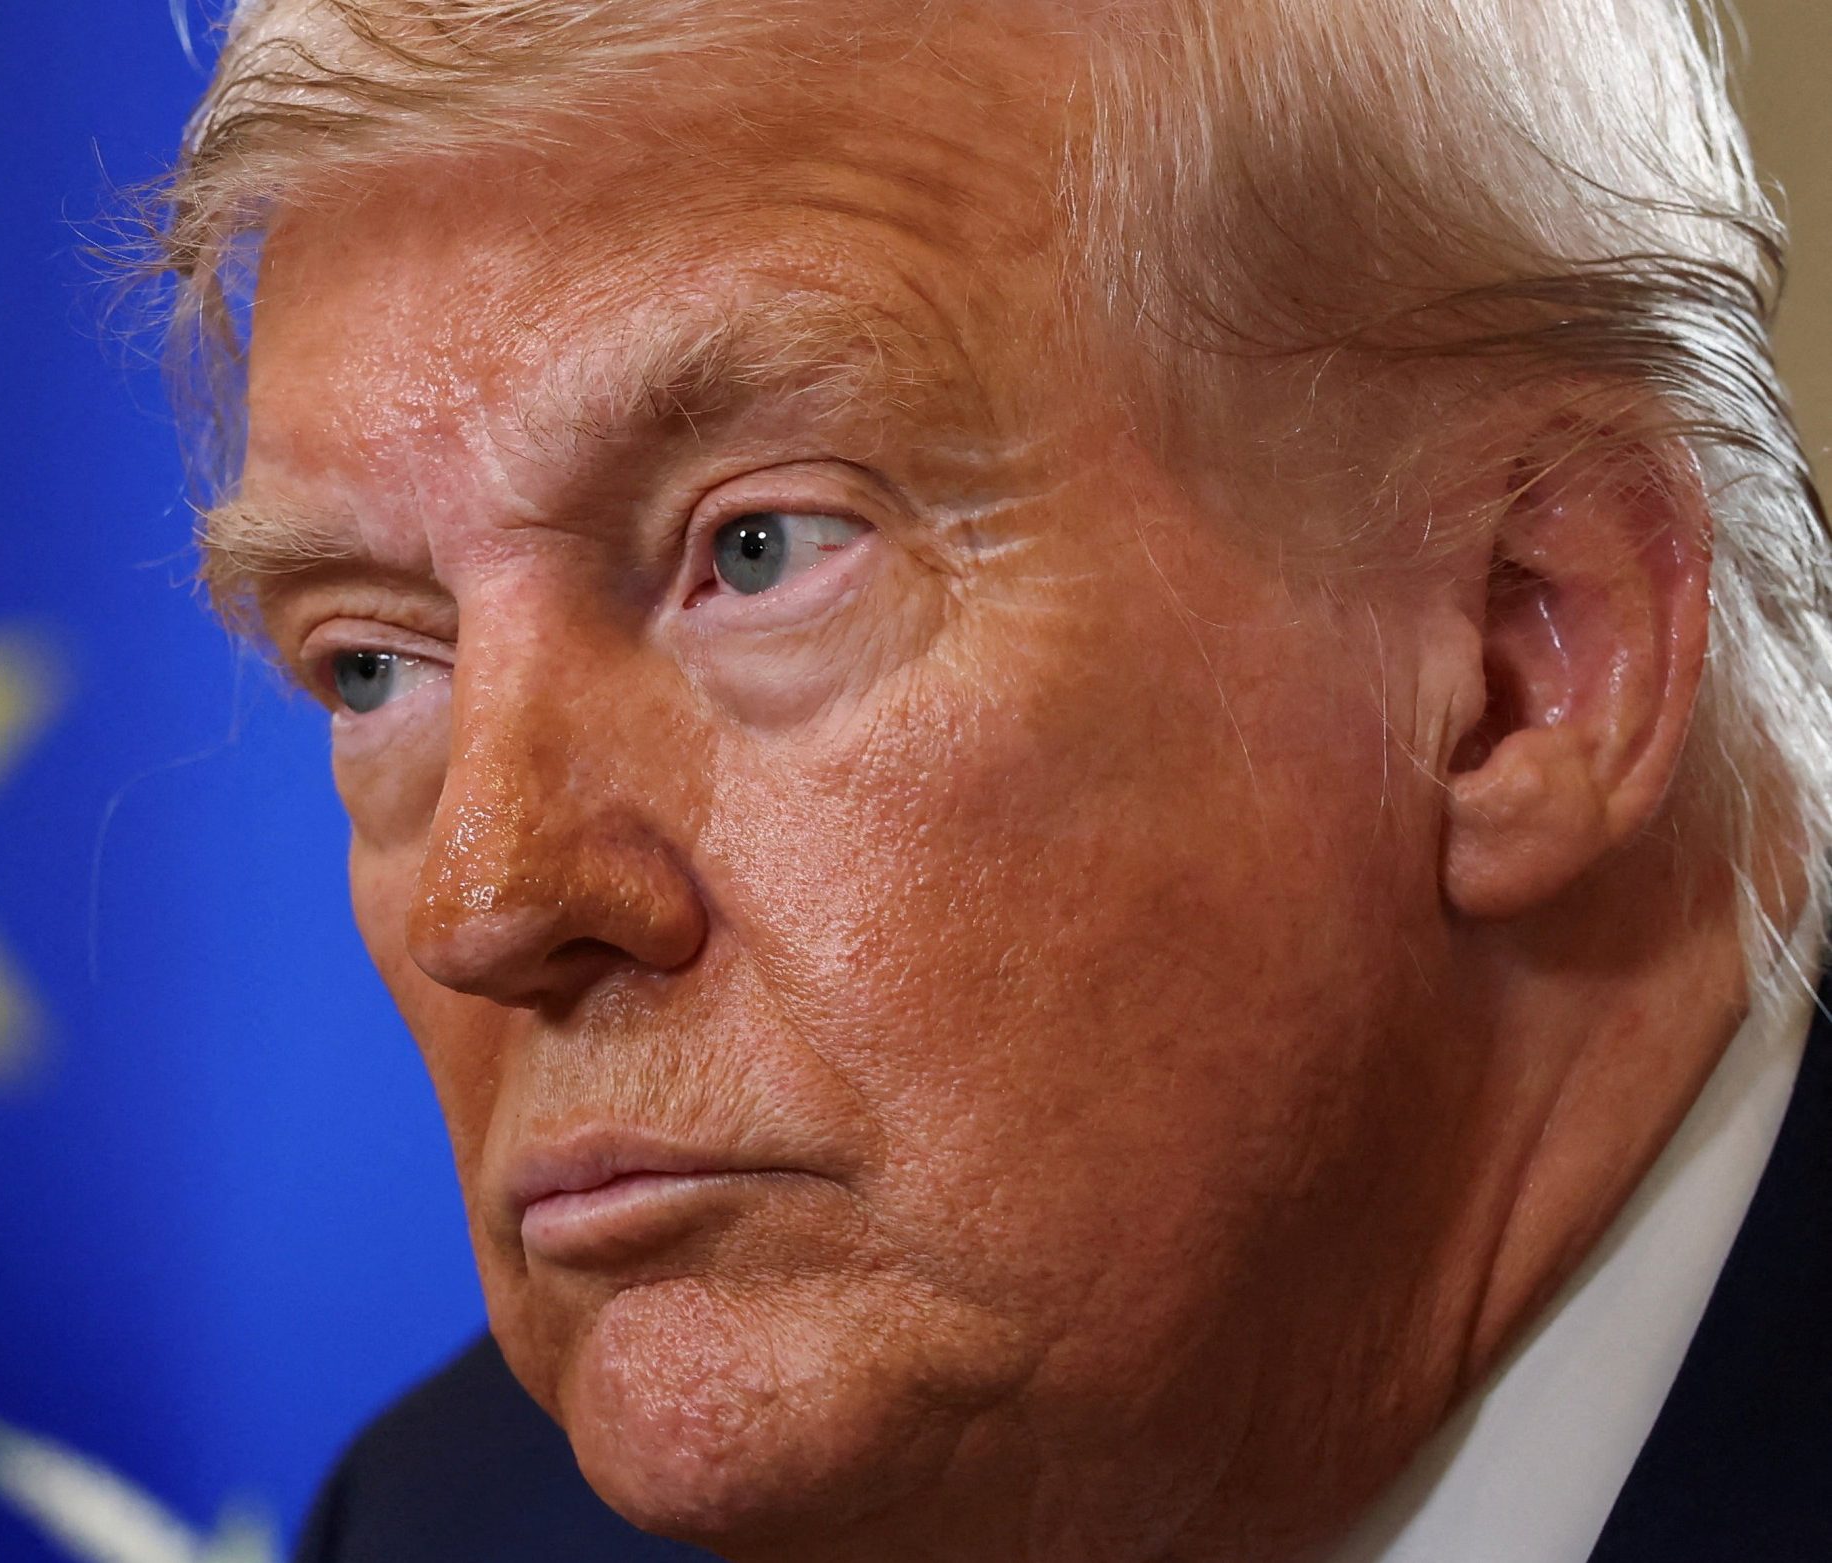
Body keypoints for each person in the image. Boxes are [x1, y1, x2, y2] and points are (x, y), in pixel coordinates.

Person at [130, 1, 1832, 1558]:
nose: (488, 903)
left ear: (1526, 660)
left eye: (763, 548)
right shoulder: (450, 1530)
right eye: (372, 663)